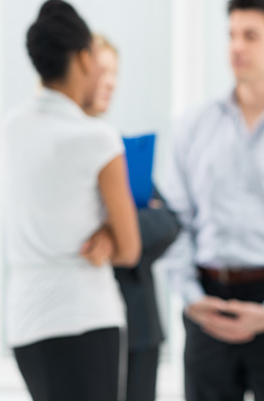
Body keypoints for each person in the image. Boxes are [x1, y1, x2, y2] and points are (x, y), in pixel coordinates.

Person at [162, 0, 264, 401]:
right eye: (232, 34)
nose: (236, 46)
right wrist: (191, 298)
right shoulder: (193, 126)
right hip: (205, 301)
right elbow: (174, 219)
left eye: (250, 35)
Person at [2, 0, 141, 401]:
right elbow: (129, 248)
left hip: (25, 320)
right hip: (83, 316)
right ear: (83, 59)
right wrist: (111, 236)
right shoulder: (96, 138)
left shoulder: (11, 128)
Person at [83, 34, 181, 401]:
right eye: (103, 70)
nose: (112, 82)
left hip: (139, 325)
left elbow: (169, 223)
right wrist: (128, 223)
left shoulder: (121, 152)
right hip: (85, 321)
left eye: (116, 73)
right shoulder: (70, 151)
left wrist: (115, 233)